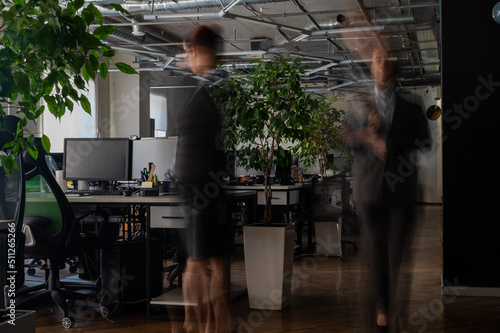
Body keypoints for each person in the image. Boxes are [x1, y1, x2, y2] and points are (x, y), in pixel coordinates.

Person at [342, 47, 430, 332]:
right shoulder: (360, 106)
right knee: (375, 253)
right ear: (371, 67)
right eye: (376, 59)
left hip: (401, 191)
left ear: (393, 68)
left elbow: (425, 143)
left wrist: (395, 146)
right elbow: (346, 141)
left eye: (386, 60)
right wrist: (367, 138)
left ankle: (396, 306)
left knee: (397, 254)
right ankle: (383, 308)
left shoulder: (412, 106)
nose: (381, 64)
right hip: (369, 191)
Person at [173, 25, 233, 333]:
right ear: (199, 52)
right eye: (211, 53)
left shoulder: (198, 86)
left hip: (204, 186)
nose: (215, 59)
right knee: (198, 260)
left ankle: (212, 323)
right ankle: (193, 325)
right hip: (197, 186)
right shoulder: (192, 89)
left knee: (209, 260)